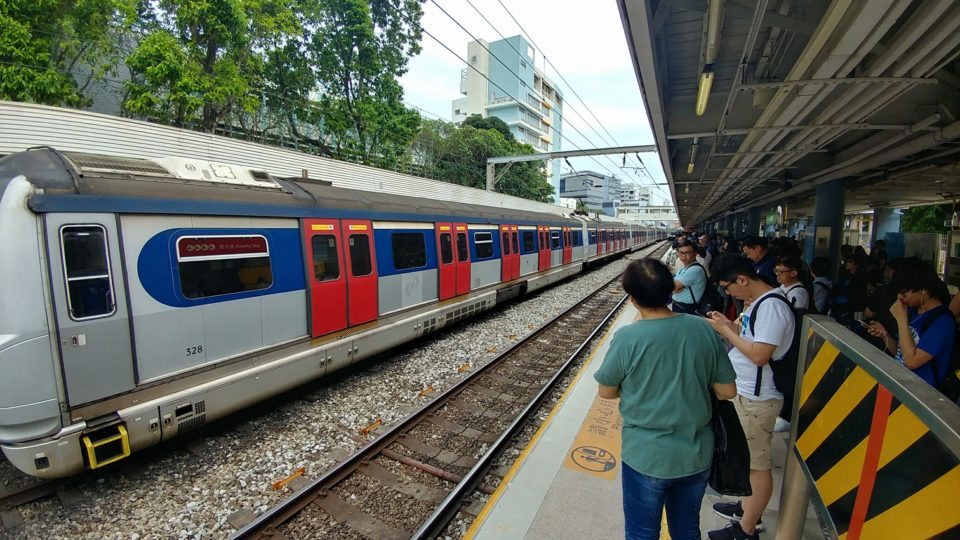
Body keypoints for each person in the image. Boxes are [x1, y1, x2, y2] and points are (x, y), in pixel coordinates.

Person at [594, 258, 737, 540]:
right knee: (686, 529)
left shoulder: (627, 338)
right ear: (671, 291)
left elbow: (606, 391)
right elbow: (727, 391)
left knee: (642, 533)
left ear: (633, 299)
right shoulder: (703, 329)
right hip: (695, 454)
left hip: (646, 456)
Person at [704, 255, 795, 540]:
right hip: (746, 393)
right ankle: (745, 509)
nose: (728, 293)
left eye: (728, 287)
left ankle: (747, 530)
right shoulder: (759, 304)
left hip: (758, 399)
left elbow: (759, 354)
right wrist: (729, 326)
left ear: (742, 279)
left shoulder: (772, 308)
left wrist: (723, 331)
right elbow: (752, 340)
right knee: (747, 460)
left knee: (757, 466)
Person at [865, 258, 956, 388]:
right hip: (901, 386)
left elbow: (912, 361)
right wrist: (884, 334)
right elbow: (902, 352)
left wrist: (901, 319)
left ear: (924, 290)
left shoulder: (942, 322)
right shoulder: (914, 311)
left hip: (922, 394)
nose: (900, 297)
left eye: (904, 292)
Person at [672, 240, 708, 314]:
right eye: (681, 252)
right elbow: (672, 286)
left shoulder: (695, 269)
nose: (683, 255)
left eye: (687, 253)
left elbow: (673, 286)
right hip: (680, 307)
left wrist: (674, 288)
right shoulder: (684, 268)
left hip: (687, 310)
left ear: (695, 253)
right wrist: (674, 288)